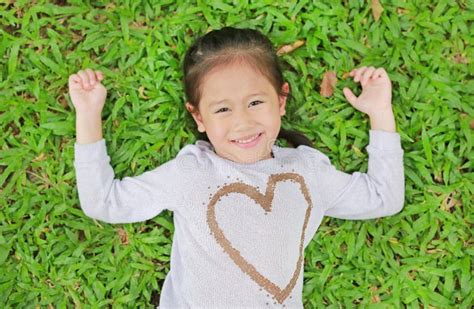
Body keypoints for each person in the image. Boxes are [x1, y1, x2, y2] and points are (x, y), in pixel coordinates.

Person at [69, 27, 404, 308]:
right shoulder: (190, 174)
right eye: (223, 109)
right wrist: (87, 114)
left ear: (281, 100)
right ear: (198, 116)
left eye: (256, 102)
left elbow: (383, 198)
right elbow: (105, 202)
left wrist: (379, 111)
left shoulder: (307, 172)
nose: (243, 122)